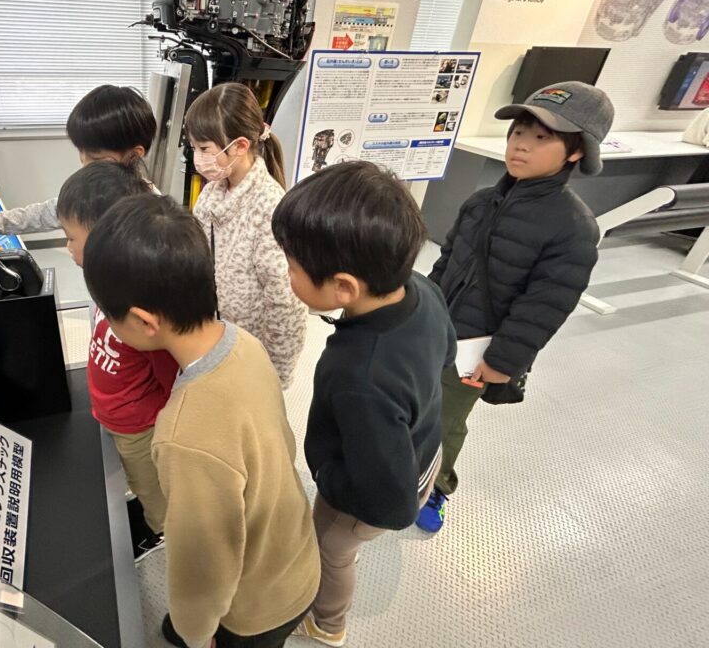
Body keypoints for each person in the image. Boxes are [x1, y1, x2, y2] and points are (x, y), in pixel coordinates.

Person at [83, 194, 319, 648]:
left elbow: (204, 566)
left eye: (109, 315)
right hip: (296, 555)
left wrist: (196, 634)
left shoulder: (182, 435)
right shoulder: (244, 342)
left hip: (256, 607)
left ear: (144, 322)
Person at [271, 162, 455, 647]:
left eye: (292, 267)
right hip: (423, 454)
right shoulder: (421, 288)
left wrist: (327, 476)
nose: (287, 274)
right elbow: (447, 354)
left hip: (365, 496)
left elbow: (390, 506)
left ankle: (327, 623)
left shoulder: (358, 374)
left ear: (344, 288)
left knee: (332, 550)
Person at [417, 81, 612, 533]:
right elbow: (446, 261)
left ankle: (437, 485)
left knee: (445, 419)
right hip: (435, 330)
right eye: (518, 132)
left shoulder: (573, 227)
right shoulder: (480, 201)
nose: (521, 144)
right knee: (412, 402)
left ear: (576, 151)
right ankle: (402, 465)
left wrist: (503, 361)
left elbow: (546, 305)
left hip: (477, 349)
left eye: (541, 137)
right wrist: (421, 311)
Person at [55, 160, 177, 561]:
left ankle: (162, 530)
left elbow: (173, 381)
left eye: (72, 238)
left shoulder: (143, 311)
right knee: (136, 477)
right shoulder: (105, 285)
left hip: (139, 426)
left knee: (150, 485)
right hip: (115, 412)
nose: (67, 248)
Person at [186, 82, 307, 388]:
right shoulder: (212, 193)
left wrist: (277, 373)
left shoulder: (269, 207)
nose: (197, 157)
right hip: (216, 334)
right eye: (193, 147)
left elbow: (286, 302)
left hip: (251, 350)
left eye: (204, 149)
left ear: (239, 146)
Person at [0, 85, 156, 234]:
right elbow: (41, 214)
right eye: (81, 152)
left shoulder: (152, 208)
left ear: (135, 154)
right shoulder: (85, 193)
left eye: (95, 157)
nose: (84, 162)